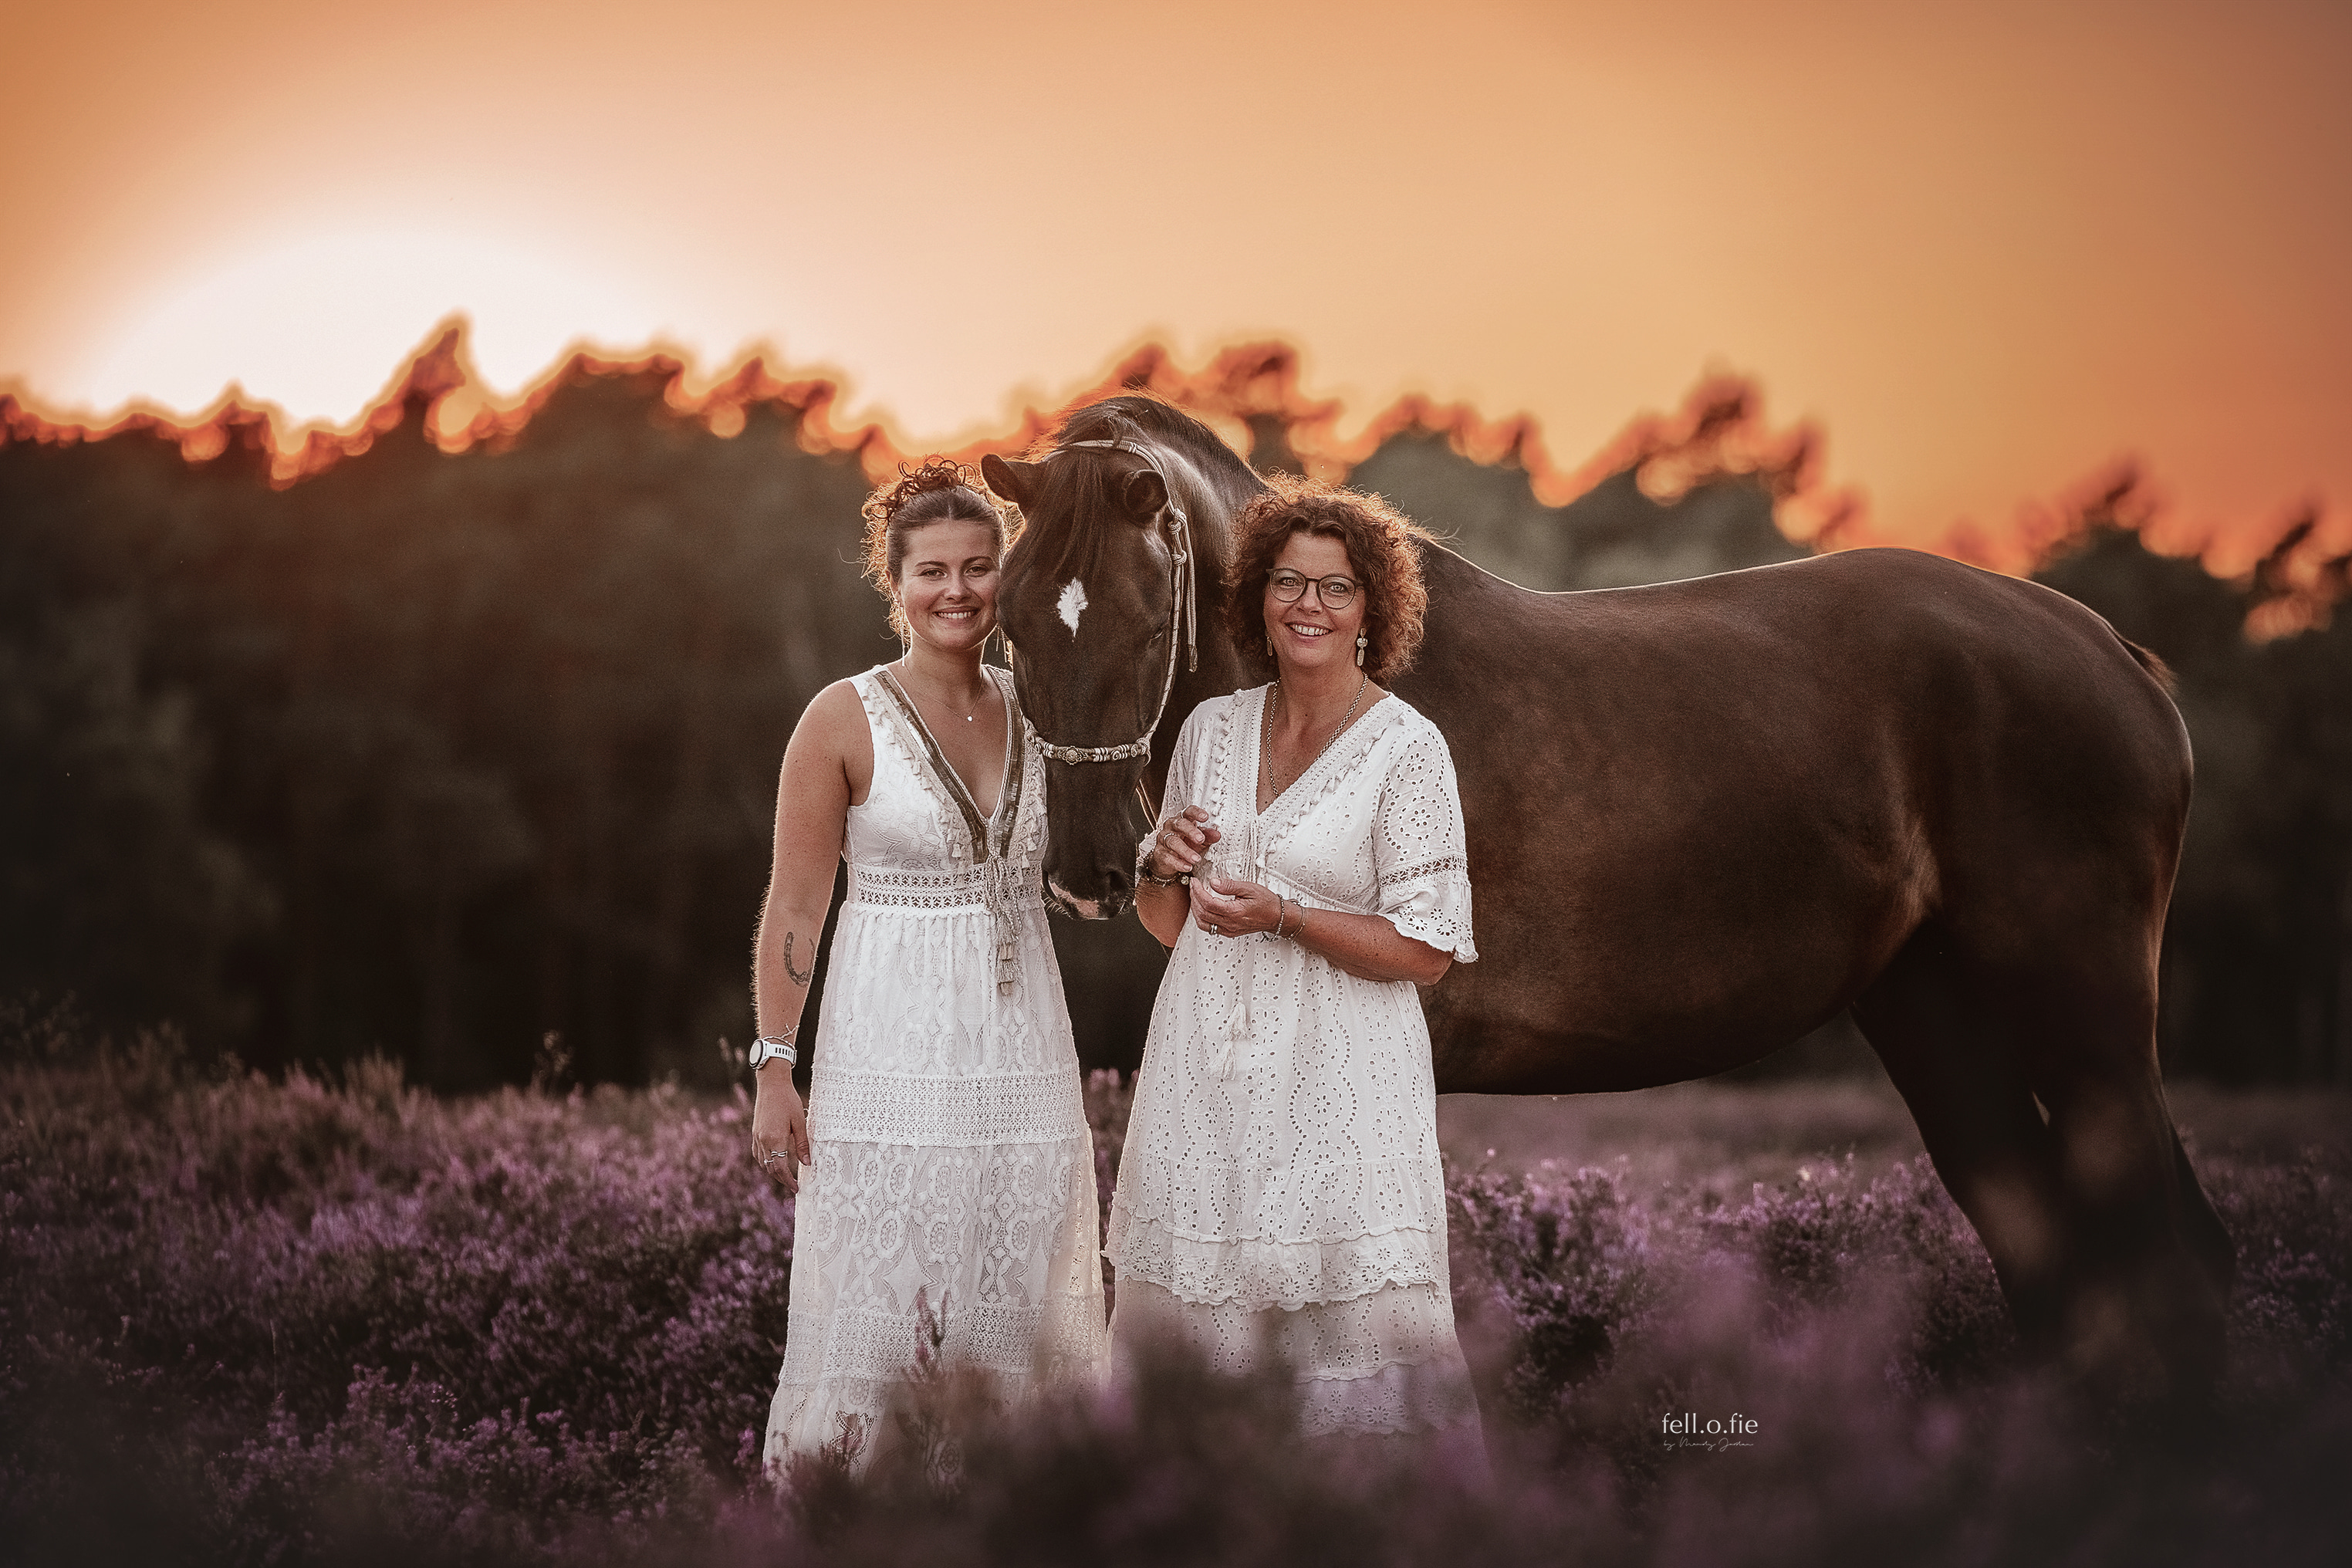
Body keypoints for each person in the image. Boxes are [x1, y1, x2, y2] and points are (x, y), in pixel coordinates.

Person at [1105, 474, 1486, 1462]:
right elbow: (1168, 925)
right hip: (1204, 1073)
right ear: (1258, 599)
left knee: (1345, 1337)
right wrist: (1160, 864)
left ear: (1371, 610)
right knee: (1197, 1334)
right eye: (1288, 582)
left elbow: (1428, 949)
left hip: (1342, 1083)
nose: (1308, 605)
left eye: (1335, 587)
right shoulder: (1209, 730)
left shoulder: (1408, 749)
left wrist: (1288, 914)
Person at [752, 458, 1108, 1472]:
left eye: (979, 568)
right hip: (887, 1053)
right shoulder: (842, 717)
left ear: (1007, 577)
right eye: (932, 571)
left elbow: (1085, 880)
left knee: (1019, 1286)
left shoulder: (1043, 708)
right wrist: (774, 1064)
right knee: (887, 1294)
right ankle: (859, 1507)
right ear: (896, 582)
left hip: (1024, 1052)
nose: (957, 590)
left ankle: (1018, 1507)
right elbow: (796, 904)